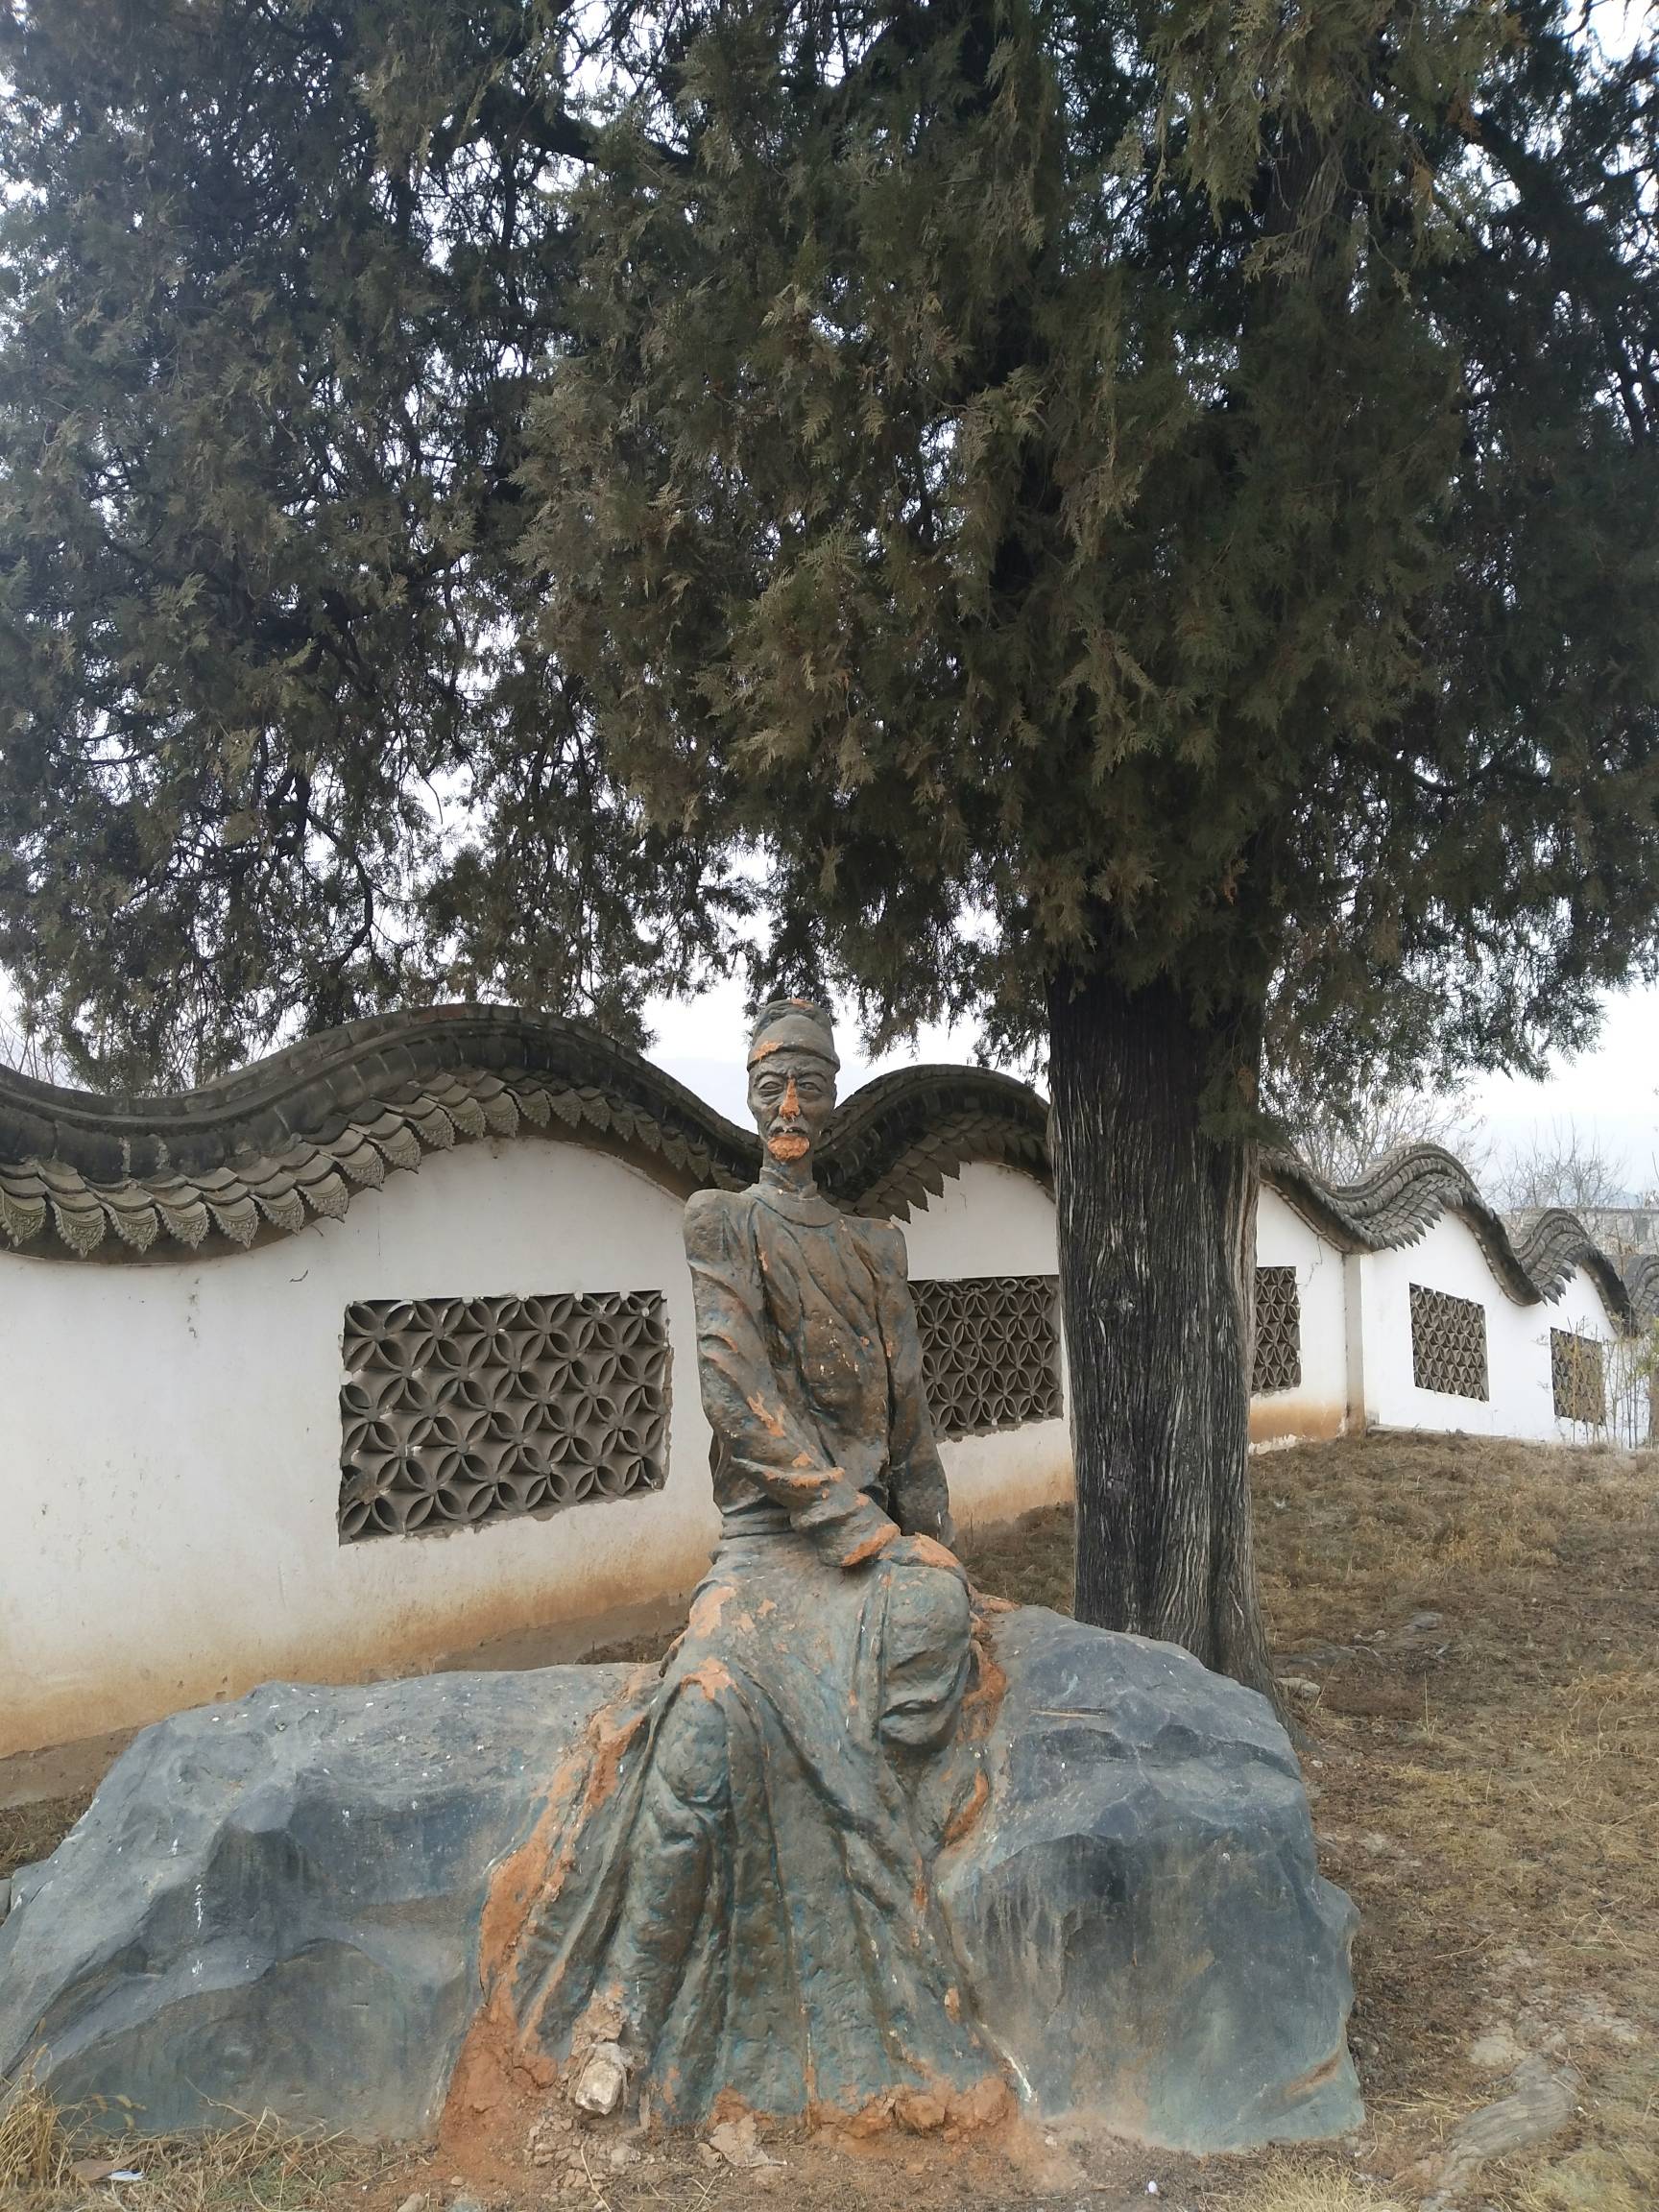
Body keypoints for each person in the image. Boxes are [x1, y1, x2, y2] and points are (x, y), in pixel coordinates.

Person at [494, 1000, 1003, 2128]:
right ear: (750, 1095)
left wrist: (933, 1550)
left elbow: (912, 1426)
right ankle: (625, 2012)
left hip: (873, 1552)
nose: (792, 1105)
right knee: (701, 1726)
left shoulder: (875, 1248)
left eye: (810, 1083)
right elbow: (738, 1398)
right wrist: (856, 1529)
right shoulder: (722, 1225)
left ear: (834, 1096)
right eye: (773, 1085)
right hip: (772, 1544)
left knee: (934, 1625)